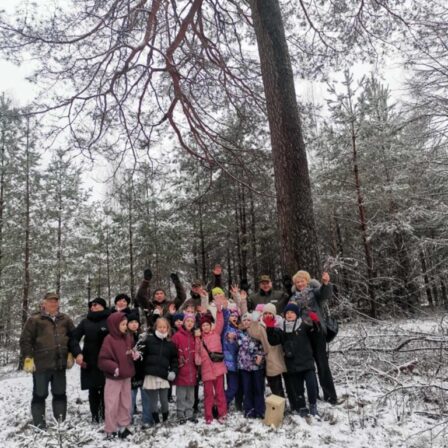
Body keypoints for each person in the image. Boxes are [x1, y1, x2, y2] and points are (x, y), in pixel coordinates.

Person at [20, 292, 75, 428]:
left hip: (60, 364)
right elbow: (25, 340)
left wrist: (71, 353)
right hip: (41, 365)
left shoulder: (65, 319)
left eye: (55, 301)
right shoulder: (35, 320)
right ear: (44, 303)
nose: (53, 303)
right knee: (40, 394)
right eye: (50, 301)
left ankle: (60, 425)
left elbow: (73, 338)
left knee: (60, 394)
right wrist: (28, 357)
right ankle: (39, 426)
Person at [289, 271, 338, 405]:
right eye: (297, 282)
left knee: (322, 364)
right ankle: (314, 395)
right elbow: (290, 313)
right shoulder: (293, 298)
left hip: (317, 332)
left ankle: (330, 396)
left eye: (302, 281)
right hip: (303, 335)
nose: (300, 284)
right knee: (308, 365)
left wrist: (326, 283)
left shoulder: (314, 292)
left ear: (307, 281)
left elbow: (325, 294)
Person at [266, 303, 319, 417]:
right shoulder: (282, 329)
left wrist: (316, 322)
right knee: (298, 389)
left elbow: (316, 335)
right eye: (287, 313)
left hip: (307, 363)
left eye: (292, 312)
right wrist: (270, 328)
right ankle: (302, 407)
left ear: (297, 314)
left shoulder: (304, 326)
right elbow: (273, 341)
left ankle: (313, 406)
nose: (289, 315)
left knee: (311, 386)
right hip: (292, 365)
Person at [71, 297, 110, 423]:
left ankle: (106, 414)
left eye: (96, 304)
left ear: (103, 306)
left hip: (107, 359)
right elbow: (73, 338)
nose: (93, 307)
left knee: (106, 388)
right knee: (93, 389)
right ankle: (95, 416)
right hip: (89, 360)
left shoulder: (110, 320)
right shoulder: (85, 322)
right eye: (91, 305)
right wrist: (77, 353)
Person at [98, 312, 136, 440]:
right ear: (114, 325)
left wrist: (134, 354)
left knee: (126, 402)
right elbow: (103, 359)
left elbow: (129, 352)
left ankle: (123, 426)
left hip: (126, 376)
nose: (125, 327)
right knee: (112, 403)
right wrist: (114, 367)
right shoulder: (109, 339)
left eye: (126, 324)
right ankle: (111, 429)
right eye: (123, 324)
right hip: (114, 377)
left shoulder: (128, 337)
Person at [195, 298, 227, 424]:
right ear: (201, 328)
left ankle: (222, 414)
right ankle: (208, 415)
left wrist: (219, 310)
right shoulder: (199, 339)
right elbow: (197, 352)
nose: (205, 327)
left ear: (210, 325)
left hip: (218, 369)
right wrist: (197, 360)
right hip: (206, 370)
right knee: (208, 394)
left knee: (220, 393)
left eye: (207, 325)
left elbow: (220, 322)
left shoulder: (216, 334)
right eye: (203, 326)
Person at [141, 317, 178, 424]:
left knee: (164, 400)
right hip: (151, 375)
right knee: (153, 401)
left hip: (163, 375)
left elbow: (174, 360)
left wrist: (174, 371)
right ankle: (156, 420)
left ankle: (165, 418)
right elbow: (142, 356)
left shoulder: (170, 344)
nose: (162, 329)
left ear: (168, 328)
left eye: (164, 327)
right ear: (155, 328)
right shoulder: (149, 340)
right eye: (160, 327)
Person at [247, 303, 287, 398]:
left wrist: (271, 328)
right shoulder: (261, 326)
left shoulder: (280, 324)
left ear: (274, 314)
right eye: (265, 313)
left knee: (279, 386)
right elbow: (253, 332)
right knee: (274, 386)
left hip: (278, 358)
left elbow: (276, 340)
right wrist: (254, 321)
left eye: (270, 313)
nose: (267, 315)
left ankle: (282, 404)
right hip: (268, 360)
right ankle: (277, 403)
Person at [237, 312, 266, 419]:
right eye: (244, 320)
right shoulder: (239, 333)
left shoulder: (258, 330)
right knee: (247, 389)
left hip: (257, 366)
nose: (246, 322)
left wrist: (261, 355)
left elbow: (264, 345)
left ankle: (260, 410)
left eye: (248, 320)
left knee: (258, 388)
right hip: (244, 366)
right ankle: (249, 410)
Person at [171, 314, 198, 424]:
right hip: (181, 370)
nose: (190, 323)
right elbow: (172, 353)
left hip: (192, 370)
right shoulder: (177, 336)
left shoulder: (194, 336)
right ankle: (180, 414)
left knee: (191, 395)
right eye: (188, 321)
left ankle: (189, 413)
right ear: (183, 322)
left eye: (192, 321)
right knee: (181, 394)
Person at [127, 311, 152, 428]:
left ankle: (147, 418)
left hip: (143, 371)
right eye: (131, 322)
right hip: (130, 372)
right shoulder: (125, 337)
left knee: (146, 396)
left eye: (136, 322)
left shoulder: (143, 337)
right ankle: (128, 419)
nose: (134, 324)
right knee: (130, 398)